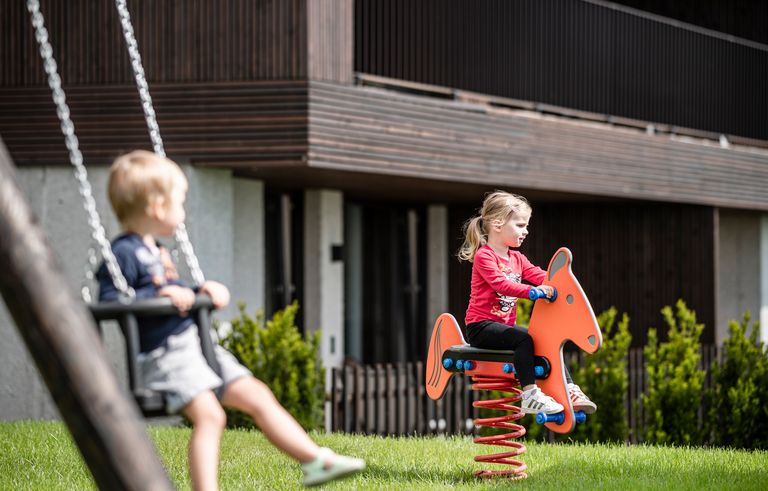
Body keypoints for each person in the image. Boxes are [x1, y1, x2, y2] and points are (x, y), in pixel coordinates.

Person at [97, 150, 364, 490]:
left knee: (258, 394)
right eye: (180, 202)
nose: (183, 212)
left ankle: (314, 460)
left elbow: (173, 291)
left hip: (196, 348)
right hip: (165, 357)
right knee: (212, 416)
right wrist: (160, 299)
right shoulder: (122, 252)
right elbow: (112, 300)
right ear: (157, 207)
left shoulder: (157, 250)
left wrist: (200, 290)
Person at [458, 190, 596, 415]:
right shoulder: (486, 256)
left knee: (542, 340)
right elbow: (501, 284)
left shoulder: (517, 258)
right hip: (480, 327)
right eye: (520, 225)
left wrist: (562, 283)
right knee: (523, 339)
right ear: (497, 224)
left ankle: (569, 388)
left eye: (526, 226)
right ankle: (530, 395)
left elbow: (541, 275)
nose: (526, 231)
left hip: (503, 327)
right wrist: (534, 292)